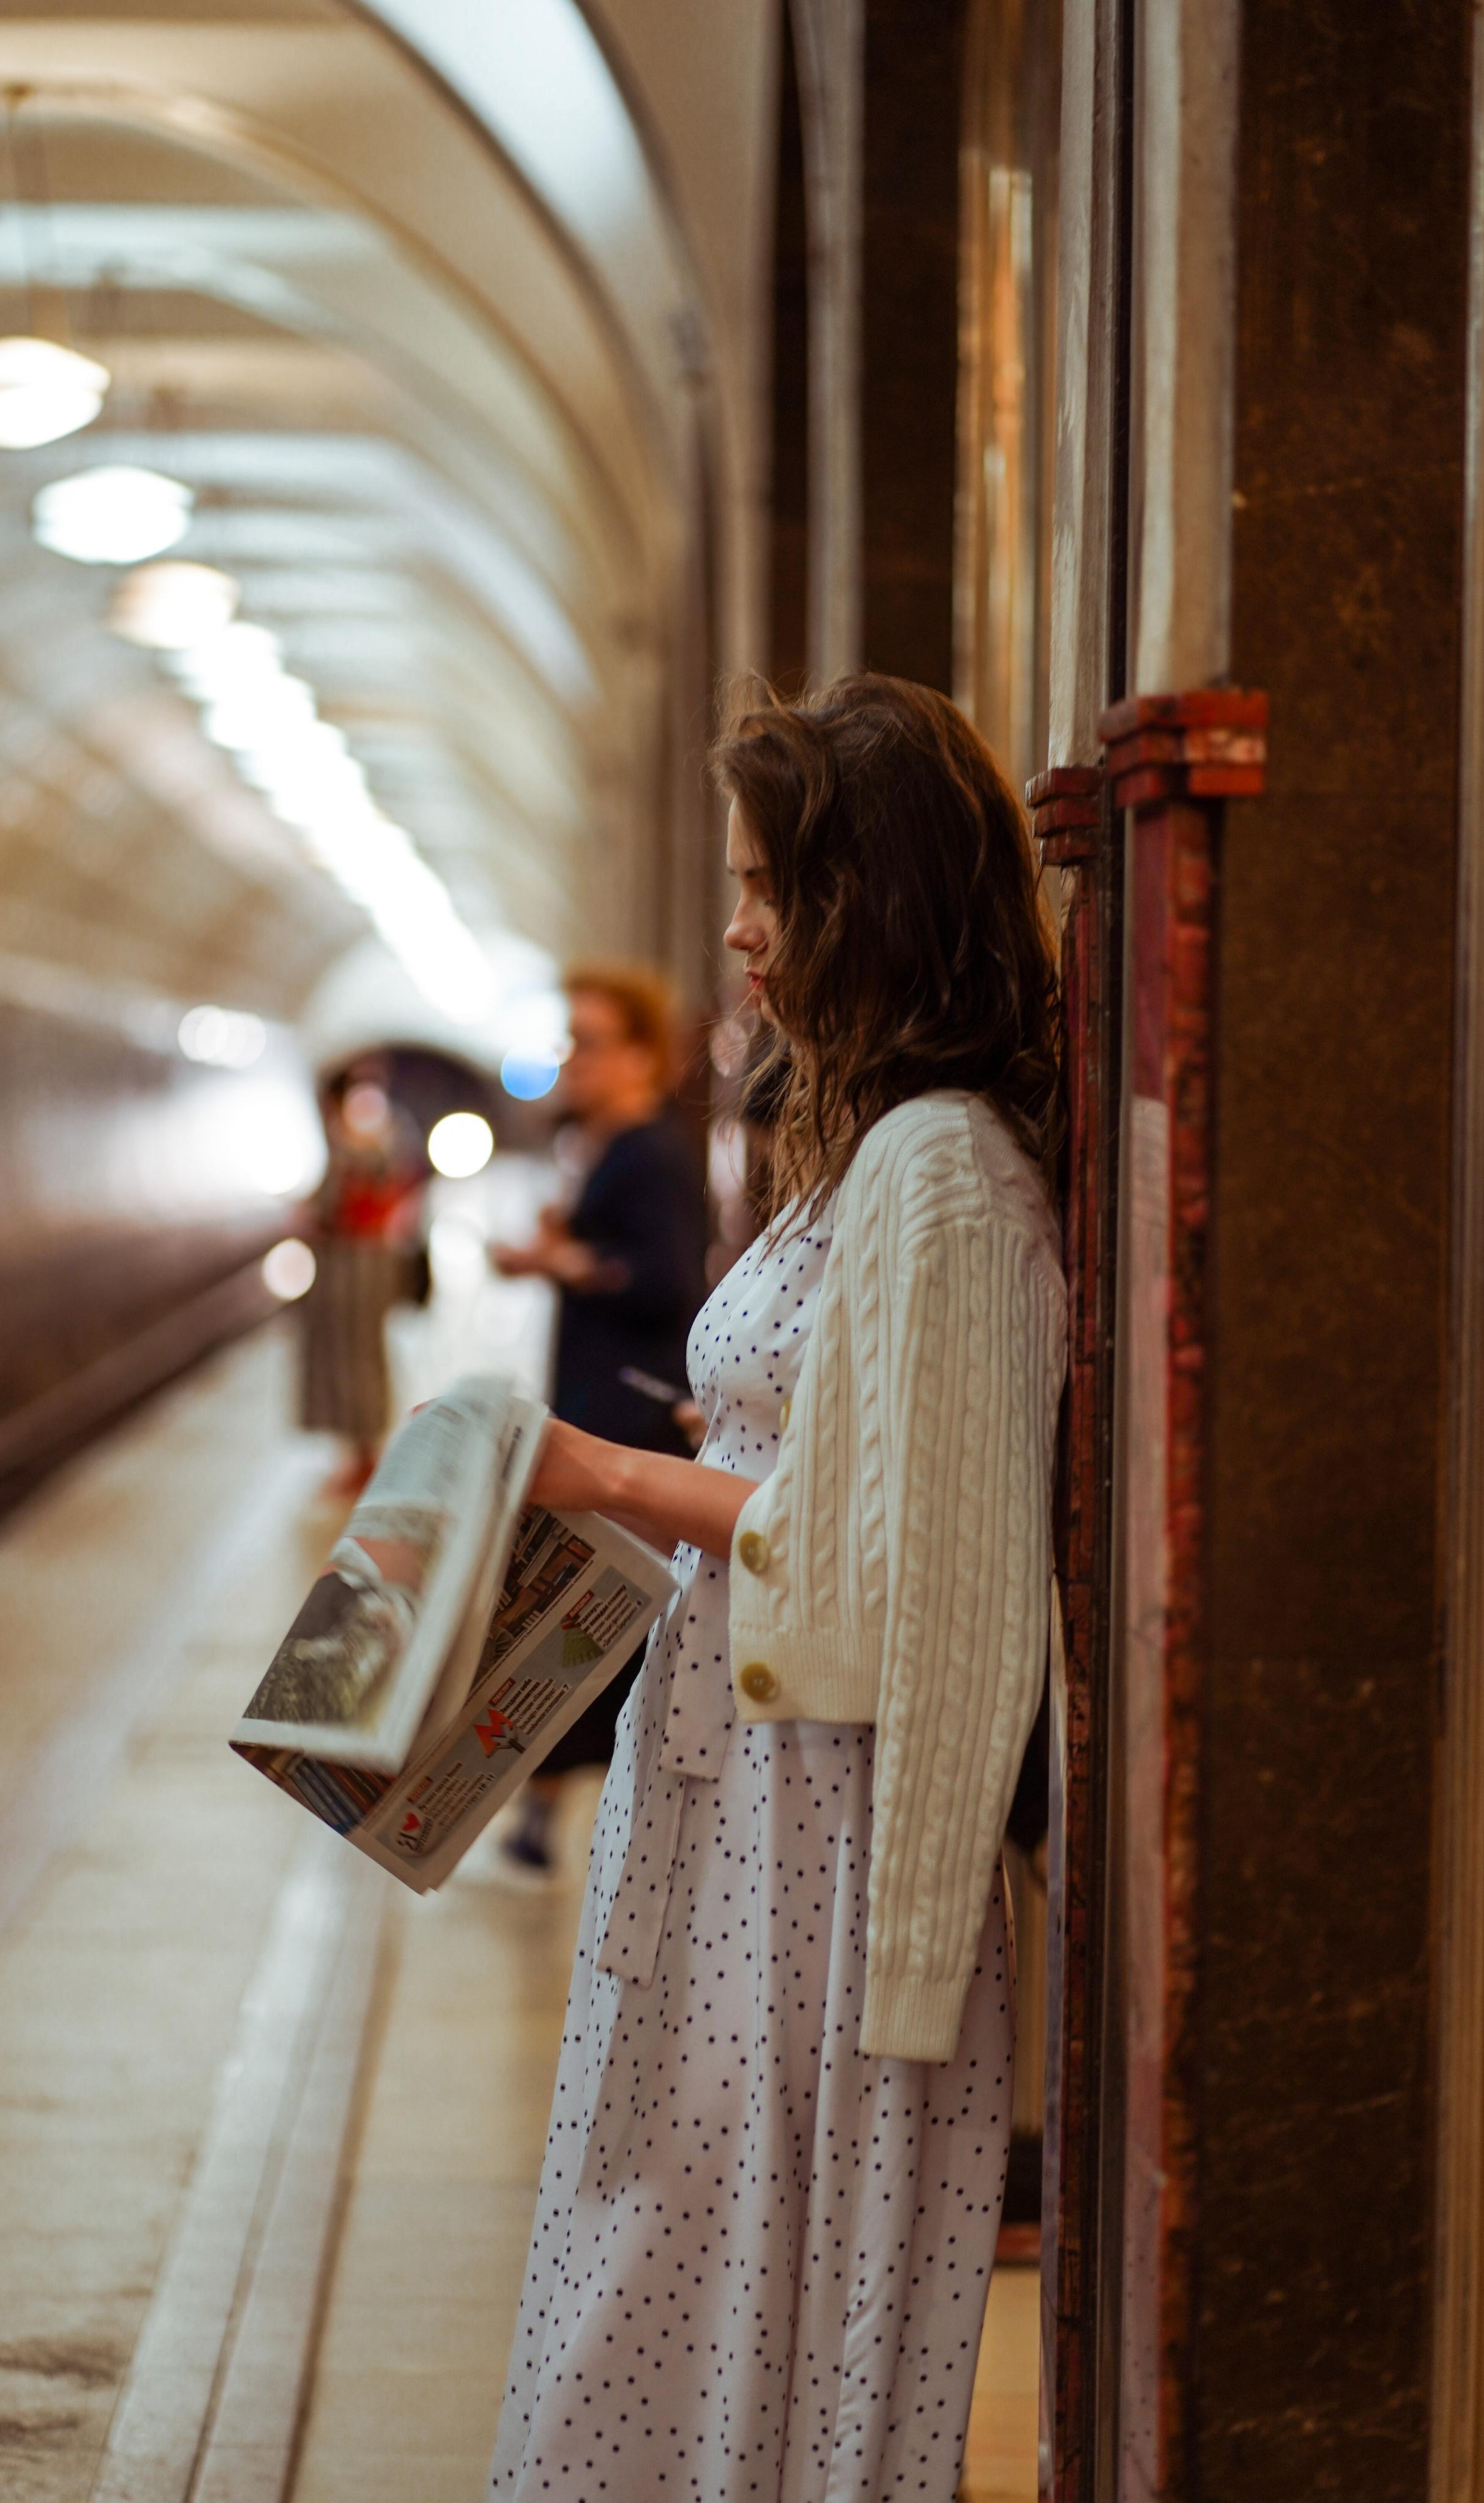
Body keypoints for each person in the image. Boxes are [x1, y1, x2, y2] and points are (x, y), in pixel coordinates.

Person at [486, 675, 1066, 2502]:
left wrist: (601, 1474)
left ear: (869, 899)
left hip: (821, 1844)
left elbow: (921, 1564)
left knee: (726, 2290)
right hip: (741, 1814)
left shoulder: (944, 1179)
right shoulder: (861, 1157)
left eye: (768, 885)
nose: (734, 927)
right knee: (662, 2262)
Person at [489, 964, 708, 1871]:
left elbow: (664, 1277)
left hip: (629, 1416)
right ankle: (547, 1808)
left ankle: (563, 1809)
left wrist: (563, 1261)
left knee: (591, 1612)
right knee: (578, 1609)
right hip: (595, 1402)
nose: (570, 1058)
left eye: (587, 1041)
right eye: (567, 1038)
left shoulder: (653, 1150)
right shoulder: (611, 1143)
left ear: (642, 1055)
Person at [300, 1057, 428, 1495]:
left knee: (353, 1358)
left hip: (353, 1264)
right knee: (359, 1354)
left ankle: (365, 1457)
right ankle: (361, 1454)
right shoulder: (390, 1131)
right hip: (370, 1259)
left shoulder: (356, 1139)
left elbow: (332, 1204)